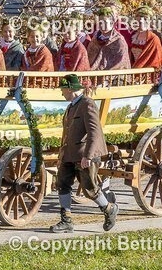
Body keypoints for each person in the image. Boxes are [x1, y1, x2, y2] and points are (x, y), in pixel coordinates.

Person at [51, 74, 118, 233]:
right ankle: (66, 221)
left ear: (70, 89)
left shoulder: (87, 104)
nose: (62, 93)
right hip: (69, 154)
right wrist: (61, 155)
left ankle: (109, 209)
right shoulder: (71, 107)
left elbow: (94, 132)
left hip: (84, 155)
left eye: (63, 89)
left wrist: (88, 156)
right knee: (62, 184)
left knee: (90, 189)